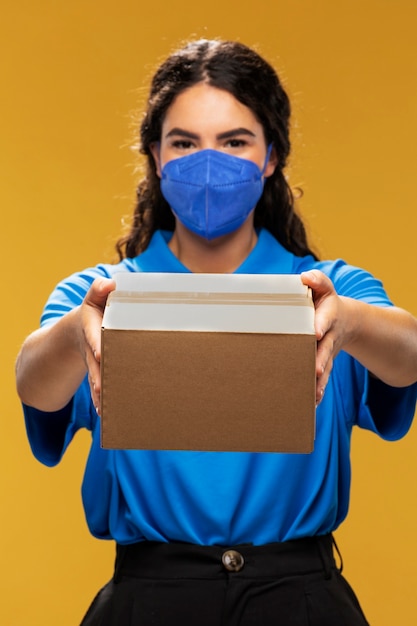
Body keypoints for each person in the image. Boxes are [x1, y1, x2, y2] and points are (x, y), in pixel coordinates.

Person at [16, 39, 417, 626]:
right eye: (184, 143)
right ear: (155, 156)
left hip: (302, 601)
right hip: (149, 600)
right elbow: (33, 383)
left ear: (271, 156)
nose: (209, 162)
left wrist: (351, 320)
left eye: (234, 142)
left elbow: (408, 356)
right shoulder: (101, 294)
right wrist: (78, 333)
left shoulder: (331, 291)